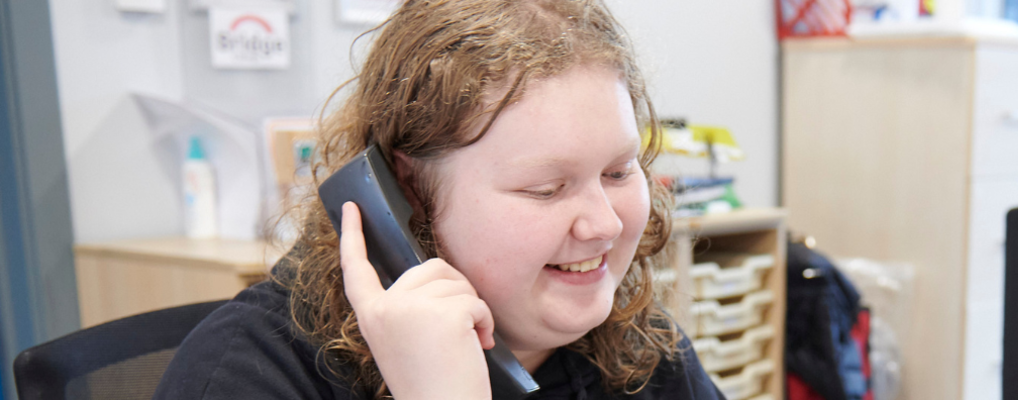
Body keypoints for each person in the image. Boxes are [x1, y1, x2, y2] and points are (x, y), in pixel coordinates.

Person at [154, 1, 723, 399]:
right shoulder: (249, 370)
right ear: (408, 193)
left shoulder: (641, 349)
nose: (604, 223)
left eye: (620, 171)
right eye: (545, 189)